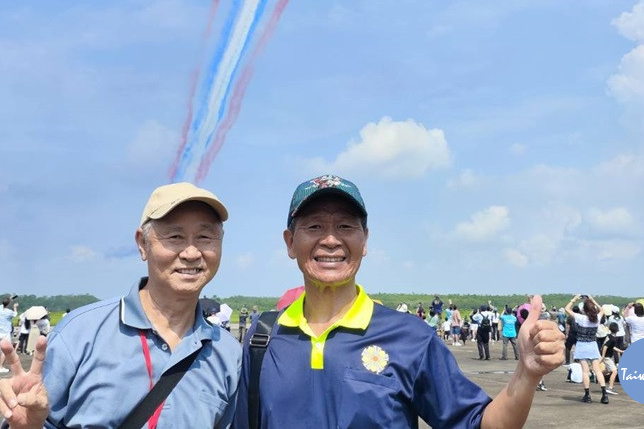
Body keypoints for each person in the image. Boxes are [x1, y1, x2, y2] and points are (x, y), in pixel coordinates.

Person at [235, 175, 564, 427]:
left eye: (346, 226)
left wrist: (526, 373)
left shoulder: (410, 337)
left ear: (365, 241)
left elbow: (480, 423)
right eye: (315, 226)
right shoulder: (262, 340)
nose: (331, 239)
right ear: (290, 242)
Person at [0, 182, 240, 428]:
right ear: (143, 244)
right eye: (175, 236)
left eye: (205, 236)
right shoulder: (80, 335)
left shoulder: (228, 354)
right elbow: (28, 418)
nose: (191, 252)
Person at [566, 294, 611, 404]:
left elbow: (567, 309)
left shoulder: (581, 318)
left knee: (585, 371)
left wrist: (574, 299)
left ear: (584, 310)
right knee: (597, 370)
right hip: (593, 345)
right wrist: (592, 300)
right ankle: (604, 394)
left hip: (581, 346)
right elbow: (602, 310)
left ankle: (587, 395)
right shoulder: (597, 319)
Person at [0, 296, 19, 373]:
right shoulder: (9, 312)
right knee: (4, 351)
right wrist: (15, 307)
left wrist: (10, 298)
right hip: (5, 333)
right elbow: (15, 314)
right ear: (8, 304)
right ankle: (1, 367)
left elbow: (3, 304)